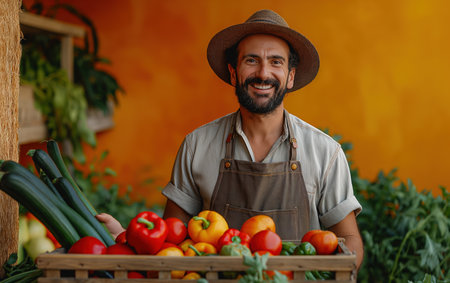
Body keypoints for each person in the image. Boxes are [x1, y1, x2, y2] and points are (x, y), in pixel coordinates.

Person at [97, 9, 364, 269]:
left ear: (290, 76)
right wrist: (122, 236)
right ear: (234, 73)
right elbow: (170, 242)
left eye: (276, 61)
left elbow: (351, 241)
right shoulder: (197, 146)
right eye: (251, 60)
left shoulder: (324, 152)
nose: (263, 73)